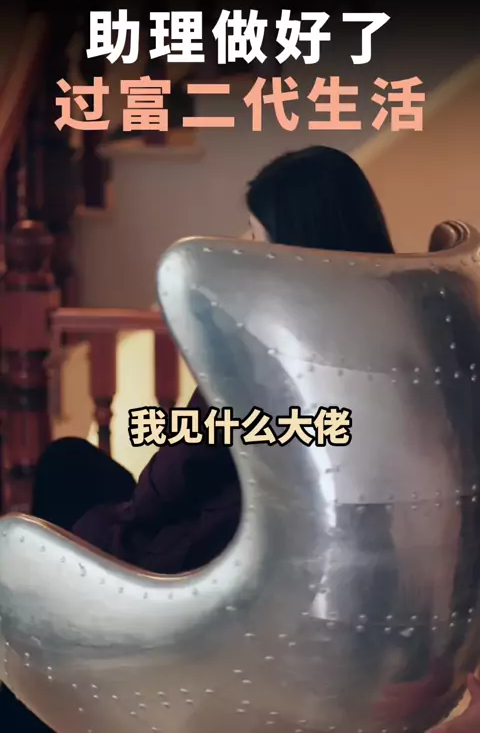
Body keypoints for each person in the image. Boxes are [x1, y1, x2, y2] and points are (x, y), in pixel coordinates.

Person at [5, 145, 467, 731]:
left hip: (221, 576)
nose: (246, 248)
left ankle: (52, 677)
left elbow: (168, 490)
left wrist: (111, 528)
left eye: (256, 235)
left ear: (294, 249)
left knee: (45, 536)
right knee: (69, 462)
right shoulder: (402, 342)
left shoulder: (274, 362)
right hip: (294, 563)